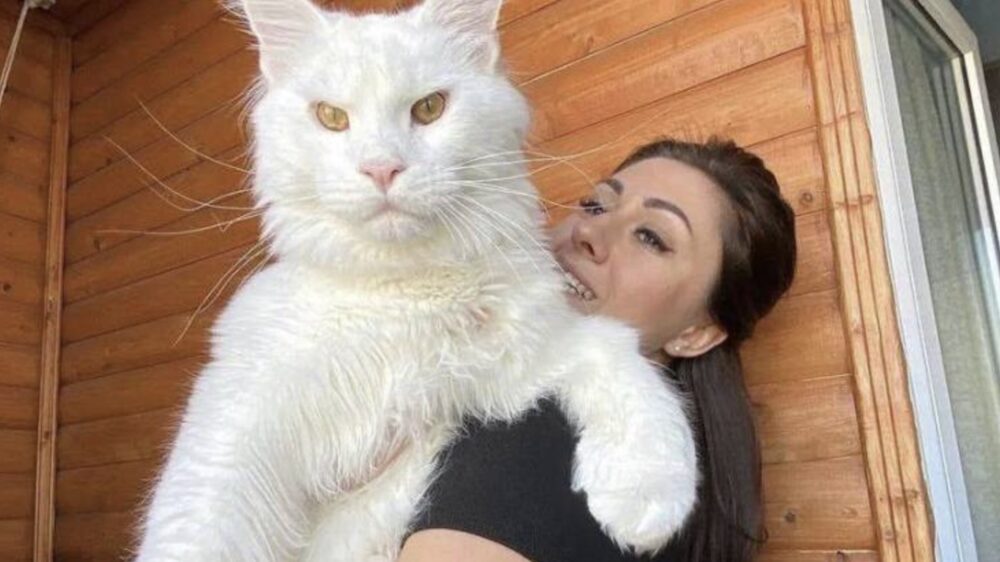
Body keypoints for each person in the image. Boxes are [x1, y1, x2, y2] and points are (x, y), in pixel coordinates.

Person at [397, 137, 798, 562]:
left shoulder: (533, 434)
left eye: (650, 237)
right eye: (594, 205)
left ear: (696, 333)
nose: (587, 231)